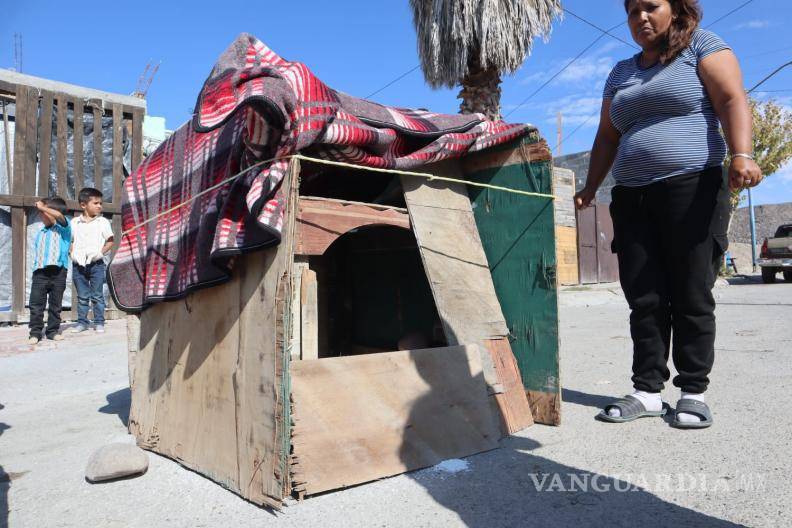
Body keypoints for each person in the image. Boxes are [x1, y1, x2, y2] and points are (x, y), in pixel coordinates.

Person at [574, 0, 762, 429]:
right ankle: (648, 391)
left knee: (691, 290)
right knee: (644, 295)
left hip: (692, 186)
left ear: (675, 9)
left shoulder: (701, 46)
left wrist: (742, 154)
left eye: (650, 6)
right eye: (632, 11)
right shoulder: (620, 72)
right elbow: (607, 136)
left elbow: (731, 98)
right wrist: (590, 187)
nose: (640, 17)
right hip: (632, 196)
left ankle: (693, 391)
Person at [28, 197, 71, 345]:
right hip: (40, 272)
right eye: (40, 212)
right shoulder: (41, 232)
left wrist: (42, 207)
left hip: (58, 272)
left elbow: (59, 217)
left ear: (53, 212)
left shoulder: (64, 229)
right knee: (36, 304)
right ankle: (35, 332)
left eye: (43, 212)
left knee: (55, 305)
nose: (41, 214)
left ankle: (52, 331)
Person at [70, 187, 114, 334]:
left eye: (100, 203)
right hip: (78, 265)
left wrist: (100, 253)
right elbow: (70, 240)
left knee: (97, 295)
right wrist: (72, 254)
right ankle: (82, 322)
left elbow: (110, 241)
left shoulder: (103, 222)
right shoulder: (75, 222)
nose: (99, 206)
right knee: (82, 296)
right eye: (95, 203)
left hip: (96, 264)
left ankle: (99, 322)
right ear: (83, 205)